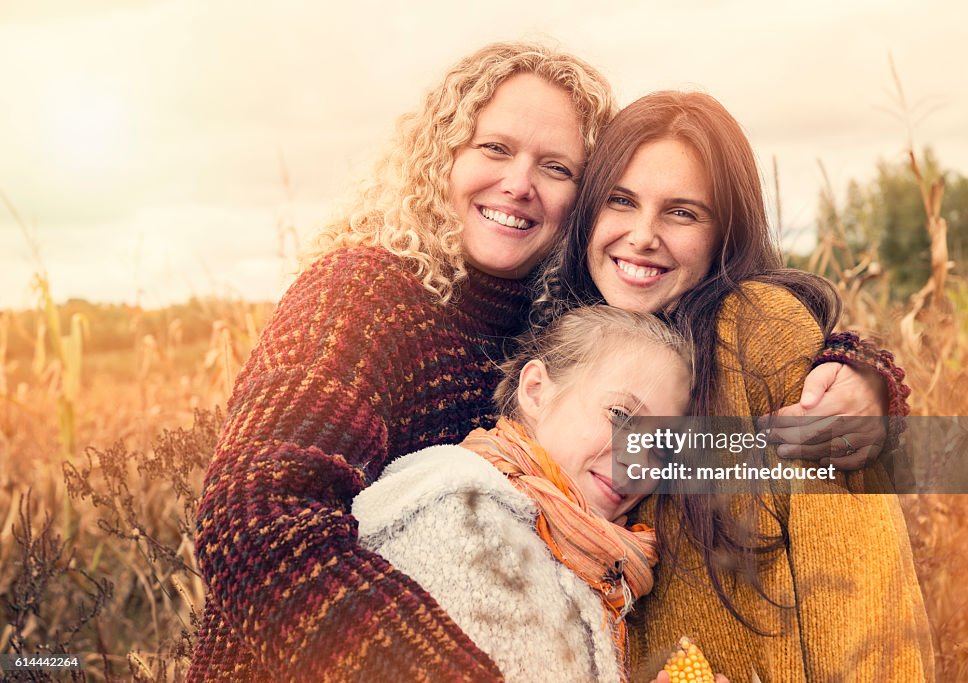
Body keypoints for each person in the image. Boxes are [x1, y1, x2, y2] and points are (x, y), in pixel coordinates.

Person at [188, 42, 908, 682]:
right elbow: (255, 517)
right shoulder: (361, 295)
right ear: (442, 157)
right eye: (494, 149)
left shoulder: (567, 325)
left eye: (556, 166)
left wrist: (857, 376)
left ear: (579, 200)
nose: (519, 183)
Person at [534, 91, 933, 682]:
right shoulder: (567, 334)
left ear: (726, 232)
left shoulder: (753, 330)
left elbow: (857, 562)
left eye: (682, 212)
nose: (643, 235)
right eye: (622, 201)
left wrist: (867, 381)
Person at [352, 305, 692, 682]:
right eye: (620, 416)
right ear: (535, 392)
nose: (639, 461)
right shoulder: (461, 518)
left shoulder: (586, 555)